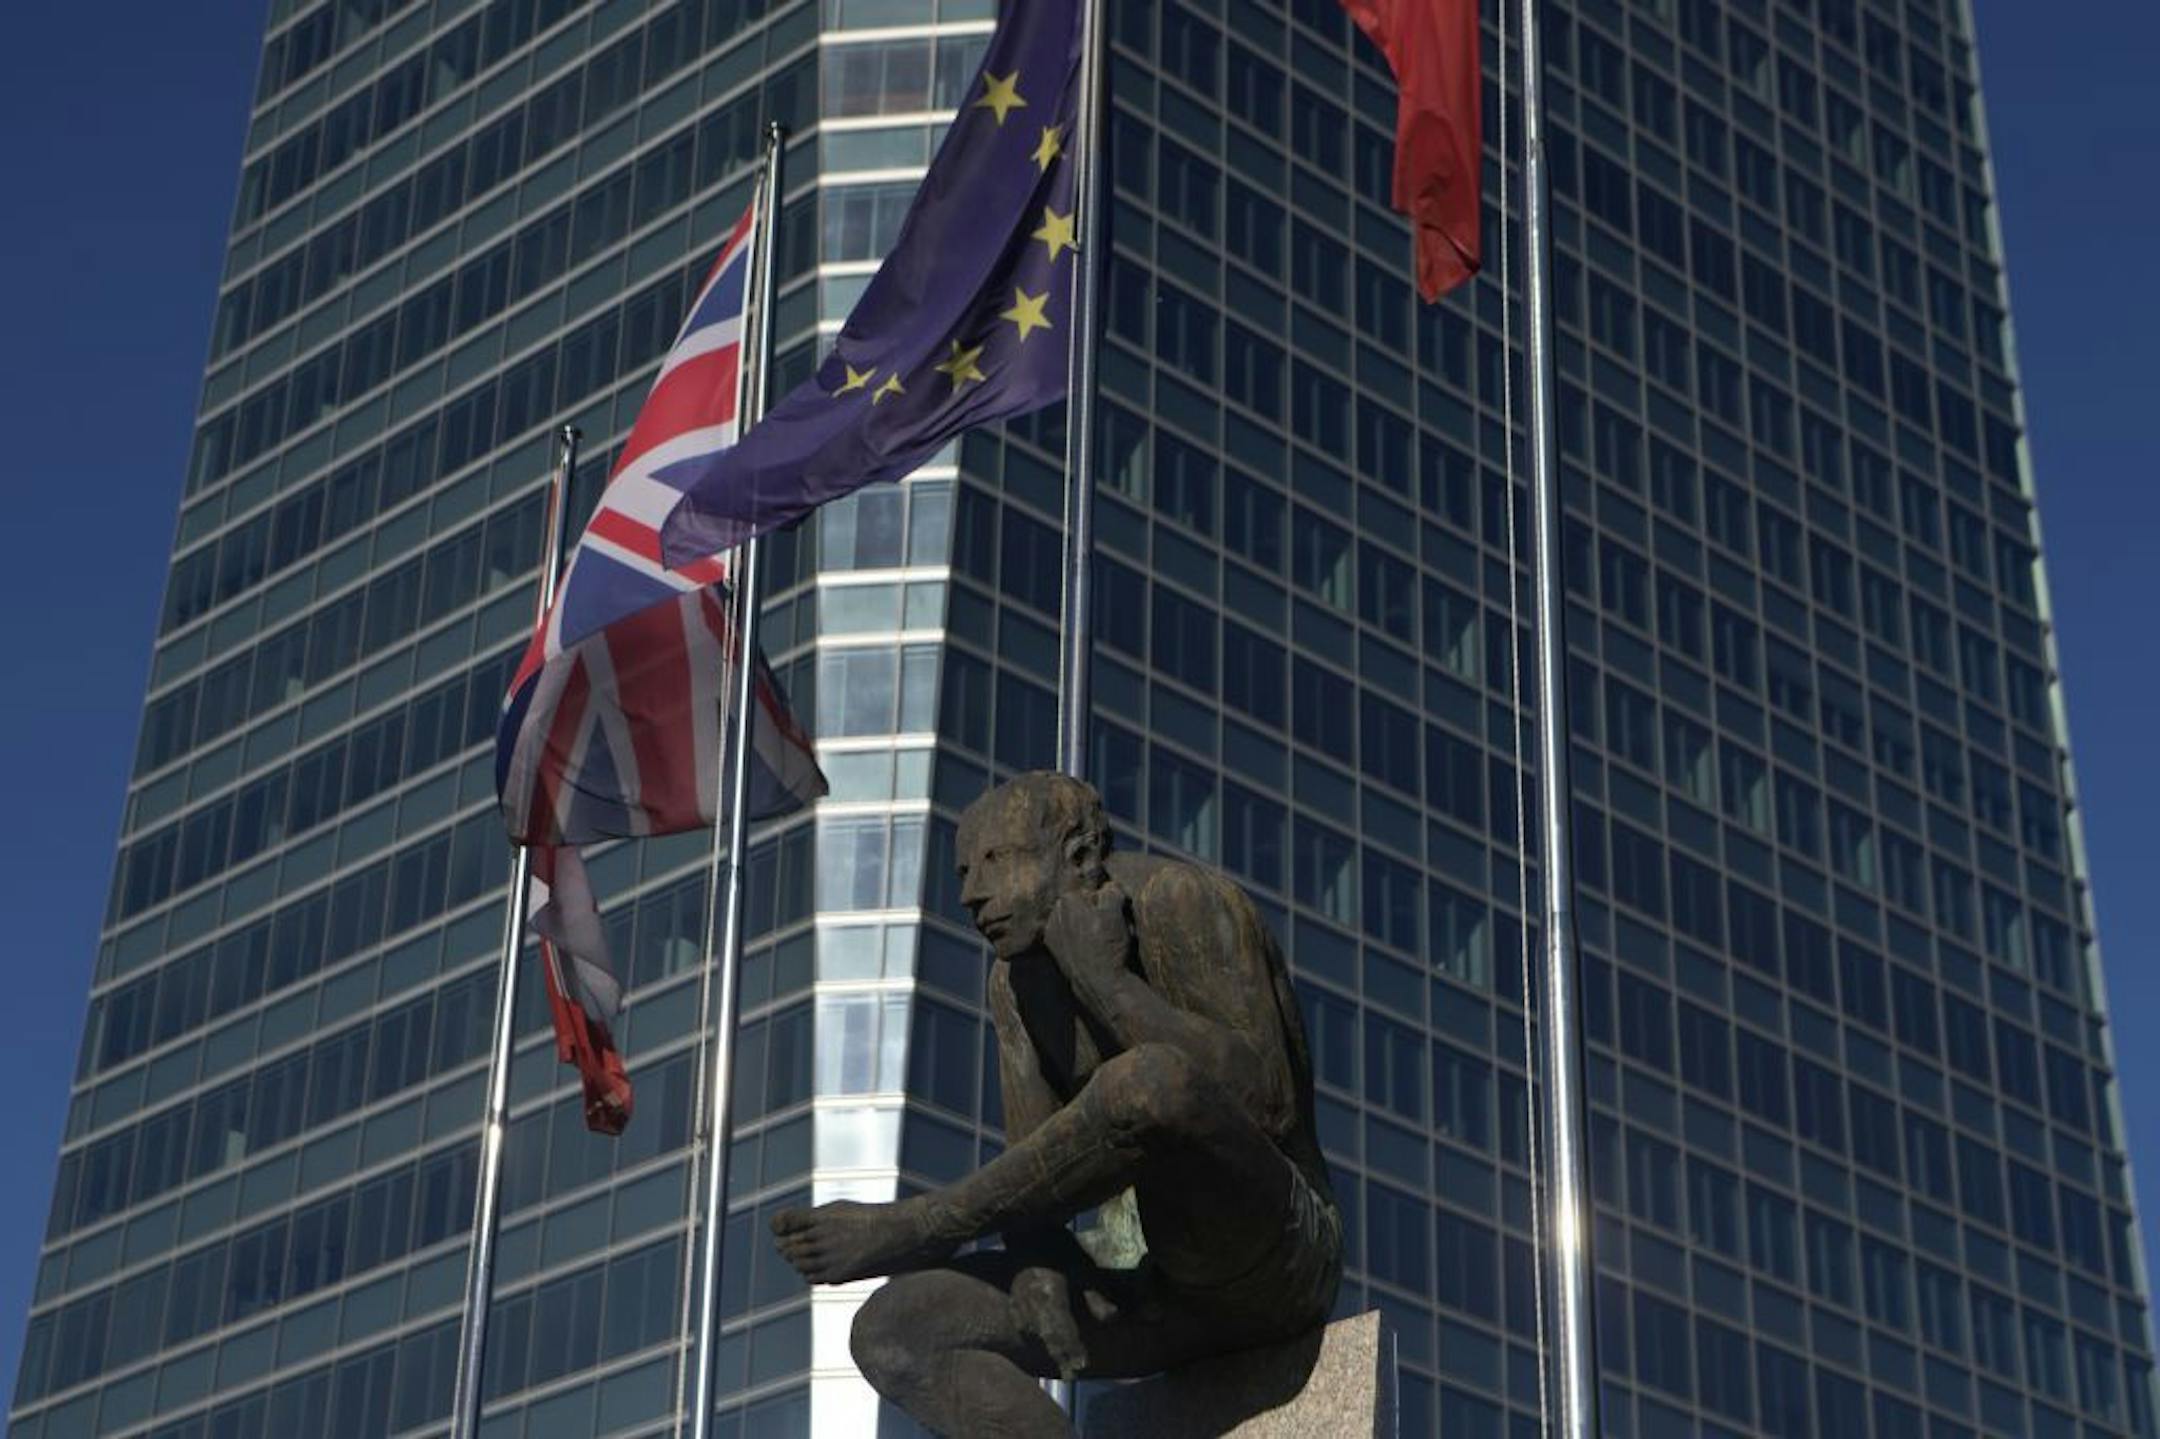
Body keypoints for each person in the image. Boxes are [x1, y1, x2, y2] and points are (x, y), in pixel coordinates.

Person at [769, 772, 1341, 1435]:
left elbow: (1264, 1101)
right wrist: (1041, 1266)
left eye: (995, 861)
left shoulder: (1180, 900)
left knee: (1146, 1080)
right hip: (1157, 1295)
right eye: (962, 870)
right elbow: (1034, 1169)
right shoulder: (1012, 983)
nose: (970, 893)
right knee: (893, 1329)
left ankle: (919, 1224)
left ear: (1077, 854)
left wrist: (1106, 981)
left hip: (1276, 1263)